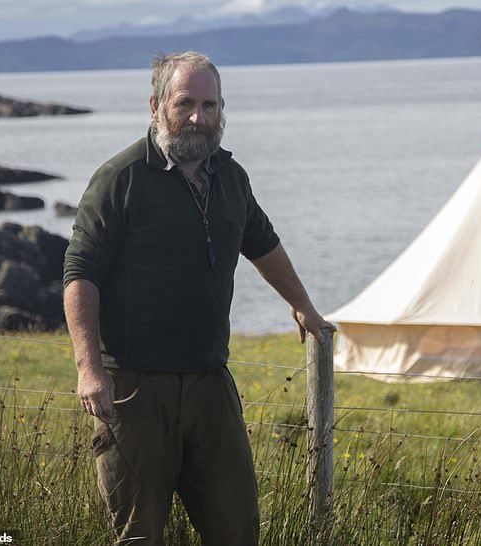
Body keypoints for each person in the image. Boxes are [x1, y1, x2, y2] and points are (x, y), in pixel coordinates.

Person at [62, 50, 332, 546]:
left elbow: (262, 241)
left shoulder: (231, 178)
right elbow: (80, 273)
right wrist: (88, 367)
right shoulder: (121, 179)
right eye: (186, 103)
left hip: (210, 382)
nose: (198, 118)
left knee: (237, 530)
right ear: (156, 105)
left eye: (210, 105)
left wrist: (301, 304)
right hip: (134, 389)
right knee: (139, 536)